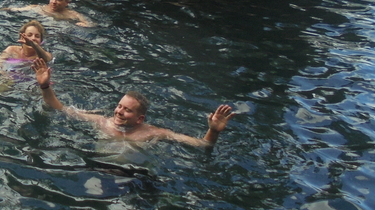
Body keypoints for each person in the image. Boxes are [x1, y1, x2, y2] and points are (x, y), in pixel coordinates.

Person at [32, 59, 235, 147]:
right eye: (120, 106)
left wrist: (214, 131)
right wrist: (45, 86)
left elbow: (201, 145)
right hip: (102, 170)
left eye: (127, 110)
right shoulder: (101, 122)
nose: (119, 112)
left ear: (140, 119)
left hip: (135, 177)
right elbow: (58, 108)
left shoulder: (153, 133)